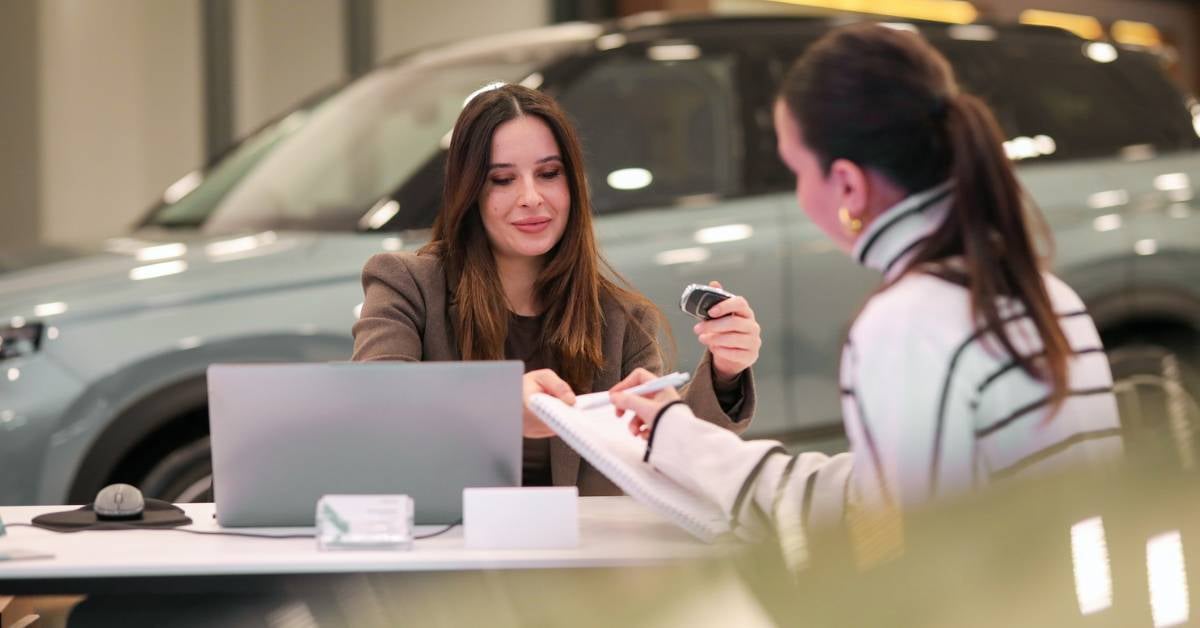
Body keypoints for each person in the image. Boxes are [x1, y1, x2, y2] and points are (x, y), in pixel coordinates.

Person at [610, 24, 1122, 550]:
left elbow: (896, 543)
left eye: (798, 172)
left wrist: (684, 441)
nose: (799, 197)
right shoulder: (1044, 294)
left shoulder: (909, 320)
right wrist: (683, 438)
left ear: (849, 186)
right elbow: (883, 492)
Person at [352, 83, 762, 495]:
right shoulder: (406, 285)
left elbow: (668, 462)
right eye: (502, 179)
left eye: (549, 174)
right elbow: (377, 403)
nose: (531, 197)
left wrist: (725, 373)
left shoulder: (622, 321)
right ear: (469, 191)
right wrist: (498, 406)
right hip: (448, 549)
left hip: (582, 554)